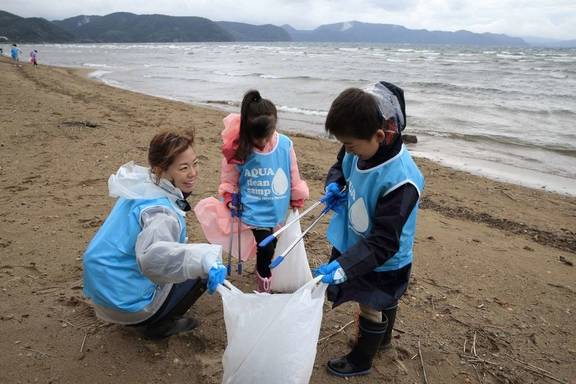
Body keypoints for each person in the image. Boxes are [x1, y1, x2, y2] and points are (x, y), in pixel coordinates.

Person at [314, 81, 424, 377]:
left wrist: (343, 267)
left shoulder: (401, 181)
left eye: (350, 145)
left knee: (371, 302)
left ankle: (361, 359)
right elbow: (341, 165)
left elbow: (384, 242)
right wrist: (335, 184)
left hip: (382, 256)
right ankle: (383, 341)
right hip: (356, 239)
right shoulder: (358, 145)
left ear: (379, 134)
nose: (347, 150)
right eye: (344, 143)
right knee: (382, 300)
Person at [83, 130, 228, 339]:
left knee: (188, 254)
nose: (193, 173)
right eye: (183, 168)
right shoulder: (161, 213)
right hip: (128, 306)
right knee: (206, 266)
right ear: (161, 170)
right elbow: (152, 257)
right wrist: (204, 258)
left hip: (104, 293)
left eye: (195, 163)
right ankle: (159, 324)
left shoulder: (141, 188)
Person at [218, 89, 309, 292]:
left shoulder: (285, 145)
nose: (260, 143)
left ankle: (268, 272)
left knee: (274, 244)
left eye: (264, 137)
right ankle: (264, 284)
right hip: (253, 207)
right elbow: (230, 177)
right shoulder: (239, 147)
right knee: (265, 245)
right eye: (256, 139)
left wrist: (296, 195)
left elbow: (292, 171)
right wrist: (229, 196)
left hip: (277, 205)